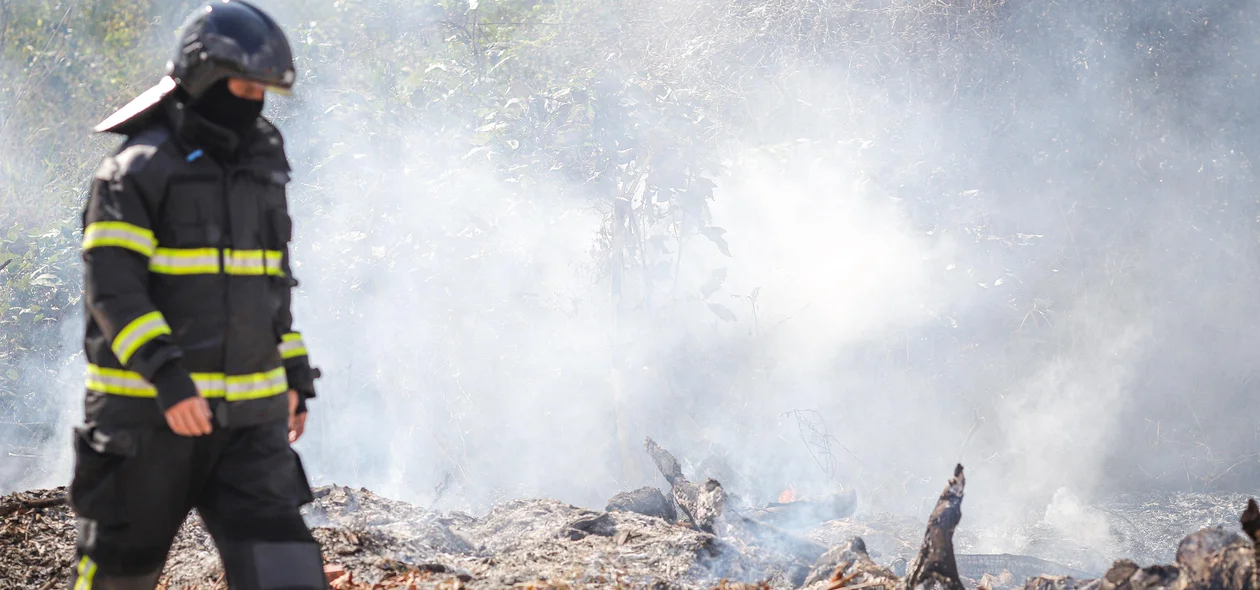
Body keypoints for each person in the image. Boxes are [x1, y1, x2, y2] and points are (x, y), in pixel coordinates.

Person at [68, 1, 325, 588]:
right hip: (147, 424)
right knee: (117, 577)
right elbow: (113, 291)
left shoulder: (263, 164)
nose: (252, 101)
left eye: (261, 90)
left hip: (251, 428)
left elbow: (270, 287)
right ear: (203, 78)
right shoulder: (134, 172)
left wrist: (292, 377)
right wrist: (169, 380)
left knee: (286, 573)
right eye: (241, 85)